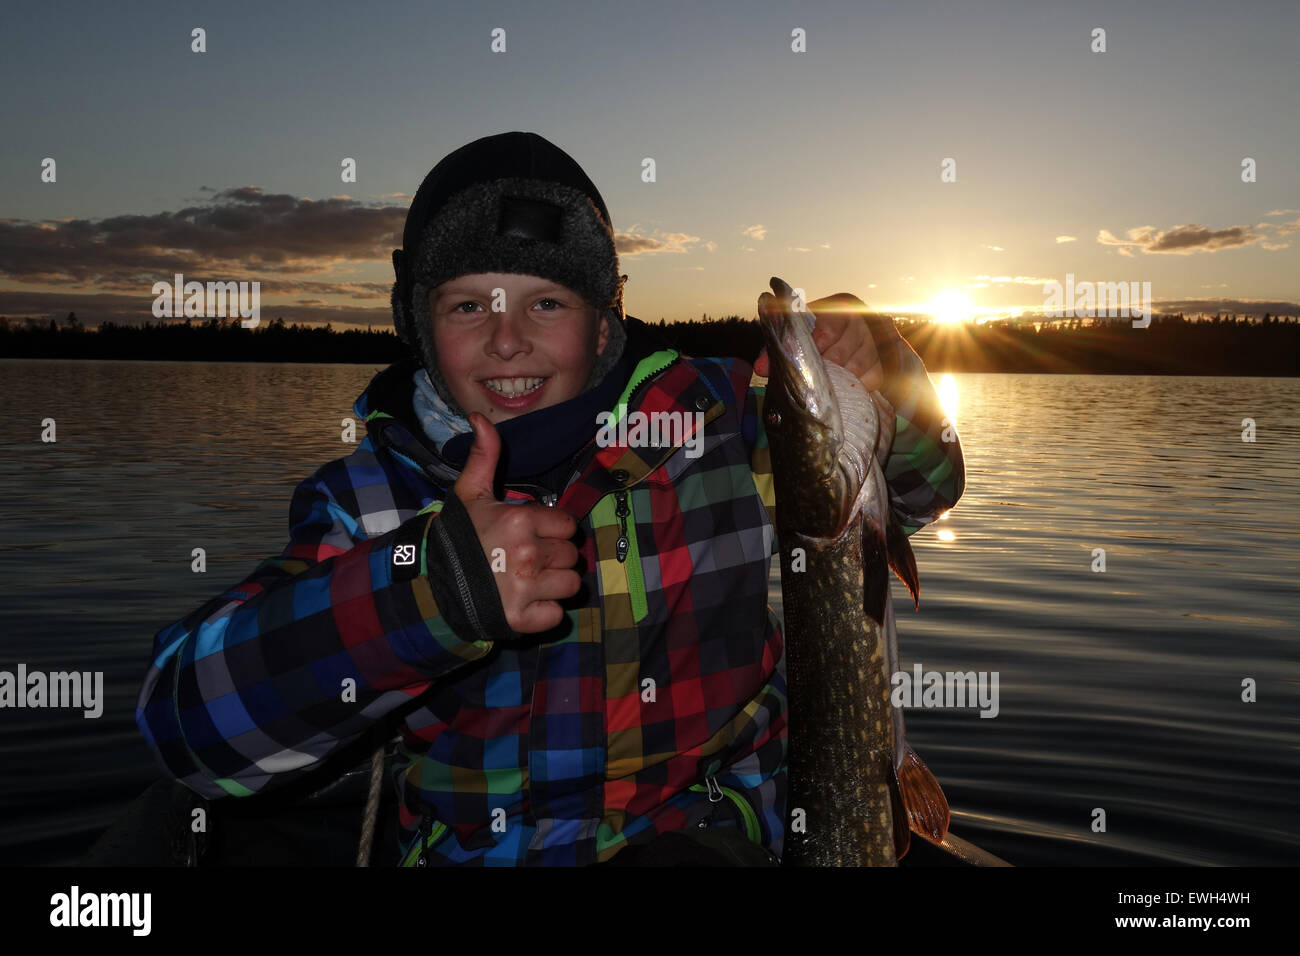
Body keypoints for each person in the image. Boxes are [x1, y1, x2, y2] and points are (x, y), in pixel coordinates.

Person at [135, 131, 964, 867]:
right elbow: (188, 732)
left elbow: (923, 490)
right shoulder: (372, 500)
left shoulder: (724, 425)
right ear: (418, 324)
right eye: (467, 305)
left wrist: (887, 374)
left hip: (702, 838)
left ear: (604, 321)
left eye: (546, 303)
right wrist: (428, 595)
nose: (506, 340)